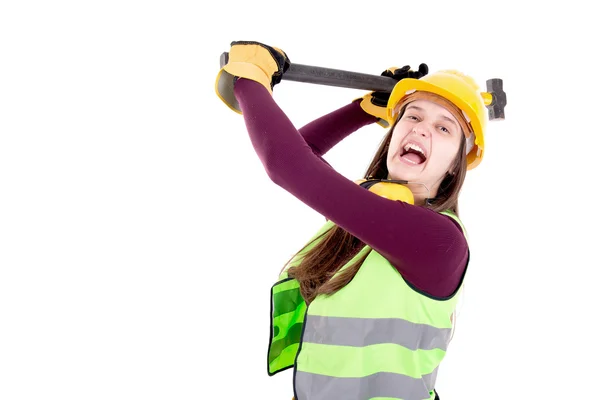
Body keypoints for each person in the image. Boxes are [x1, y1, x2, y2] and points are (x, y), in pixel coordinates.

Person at [215, 41, 488, 400]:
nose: (421, 129)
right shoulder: (375, 206)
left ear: (457, 163)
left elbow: (289, 163)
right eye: (413, 115)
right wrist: (361, 110)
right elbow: (304, 153)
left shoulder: (438, 241)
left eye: (444, 128)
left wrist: (249, 80)